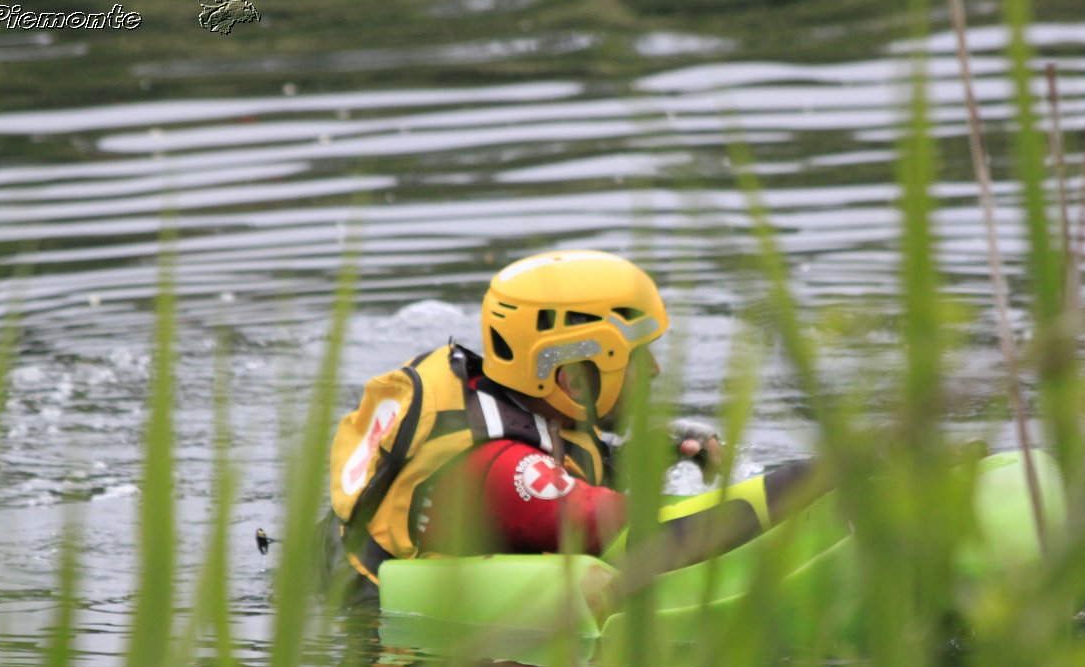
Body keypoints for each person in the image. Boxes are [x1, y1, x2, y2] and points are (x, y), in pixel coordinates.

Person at [325, 249, 818, 597]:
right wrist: (814, 476)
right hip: (380, 643)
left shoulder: (534, 402)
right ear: (574, 378)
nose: (654, 371)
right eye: (636, 356)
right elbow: (650, 536)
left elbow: (574, 472)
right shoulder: (503, 472)